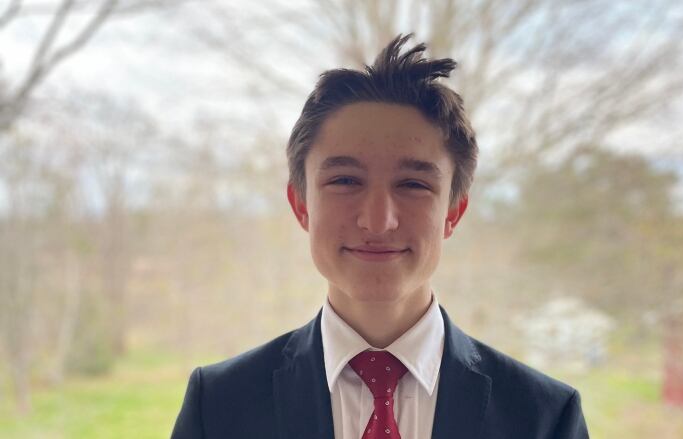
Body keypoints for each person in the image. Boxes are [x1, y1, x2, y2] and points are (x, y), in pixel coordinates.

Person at [171, 33, 589, 439]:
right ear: (301, 204)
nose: (377, 221)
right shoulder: (220, 406)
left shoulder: (544, 417)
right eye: (345, 180)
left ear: (454, 211)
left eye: (413, 185)